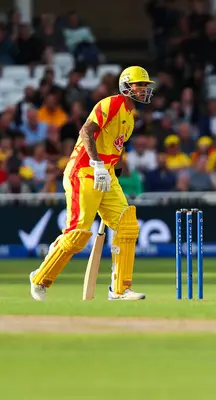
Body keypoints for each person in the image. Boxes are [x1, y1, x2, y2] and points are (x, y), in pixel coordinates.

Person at [29, 66, 155, 301]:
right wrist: (97, 165)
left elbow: (117, 149)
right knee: (78, 233)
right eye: (140, 85)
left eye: (146, 86)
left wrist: (113, 176)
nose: (144, 90)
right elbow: (87, 130)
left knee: (127, 225)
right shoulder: (112, 104)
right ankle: (40, 278)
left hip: (105, 174)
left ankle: (119, 289)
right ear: (126, 86)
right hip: (83, 172)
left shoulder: (130, 117)